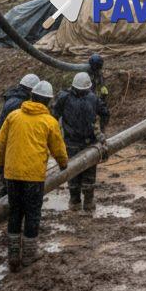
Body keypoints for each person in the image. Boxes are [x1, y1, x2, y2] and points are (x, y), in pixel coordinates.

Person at [0, 80, 68, 271]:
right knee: (32, 214)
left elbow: (0, 144)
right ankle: (28, 256)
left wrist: (1, 167)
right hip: (34, 177)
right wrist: (63, 163)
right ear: (47, 101)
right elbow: (58, 148)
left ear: (32, 96)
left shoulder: (13, 116)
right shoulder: (49, 121)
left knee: (15, 212)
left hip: (12, 174)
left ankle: (12, 256)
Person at [52, 71, 110, 212]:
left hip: (84, 142)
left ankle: (83, 202)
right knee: (76, 174)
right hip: (77, 142)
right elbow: (53, 116)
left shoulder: (88, 98)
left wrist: (101, 131)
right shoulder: (69, 98)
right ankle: (78, 202)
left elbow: (105, 112)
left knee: (79, 174)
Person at [0, 73, 40, 197]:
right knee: (10, 182)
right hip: (12, 146)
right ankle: (3, 209)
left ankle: (3, 207)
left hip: (6, 144)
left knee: (6, 180)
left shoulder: (12, 99)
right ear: (31, 90)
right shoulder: (19, 104)